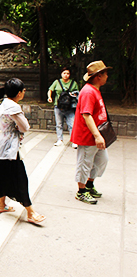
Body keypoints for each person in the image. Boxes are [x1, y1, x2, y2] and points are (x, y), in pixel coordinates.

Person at [0, 78, 46, 224]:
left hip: (2, 144)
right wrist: (18, 128)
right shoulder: (14, 108)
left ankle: (1, 204)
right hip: (11, 147)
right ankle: (30, 212)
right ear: (18, 93)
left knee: (3, 173)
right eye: (23, 91)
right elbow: (25, 127)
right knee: (20, 177)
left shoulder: (4, 104)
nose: (24, 93)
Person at [70, 61, 112, 205]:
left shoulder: (94, 90)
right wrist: (97, 135)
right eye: (105, 74)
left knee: (101, 160)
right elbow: (86, 115)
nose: (107, 76)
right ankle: (81, 192)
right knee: (85, 162)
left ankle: (89, 185)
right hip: (88, 135)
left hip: (96, 134)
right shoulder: (88, 92)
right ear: (98, 76)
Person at [48, 67, 79, 148]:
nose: (66, 75)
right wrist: (49, 97)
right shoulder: (57, 82)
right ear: (61, 74)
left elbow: (77, 93)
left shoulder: (73, 83)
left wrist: (73, 95)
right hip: (58, 106)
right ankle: (60, 139)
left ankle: (74, 140)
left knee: (72, 124)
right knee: (59, 124)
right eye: (64, 73)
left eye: (68, 73)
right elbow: (50, 90)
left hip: (70, 106)